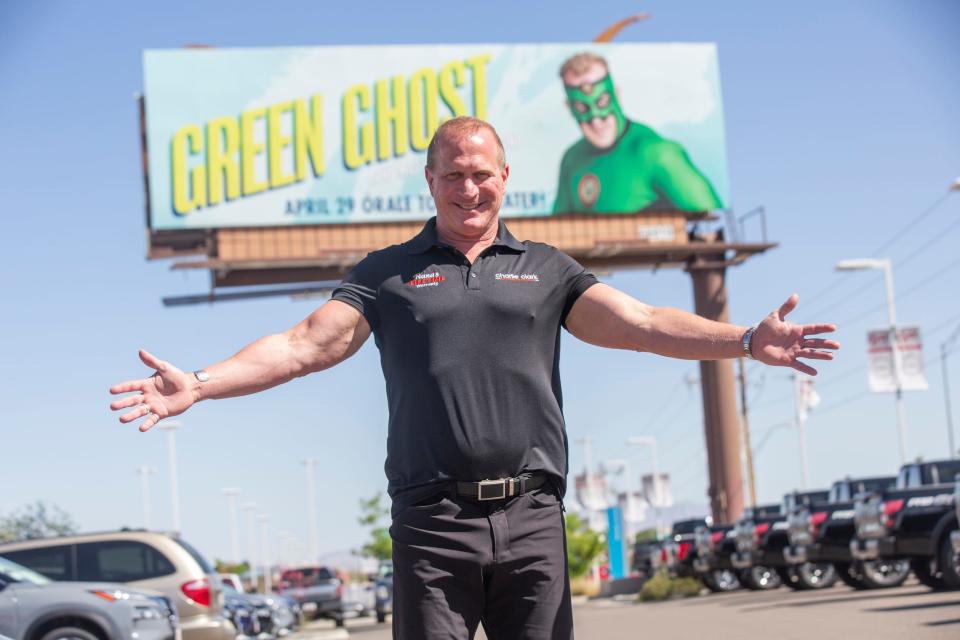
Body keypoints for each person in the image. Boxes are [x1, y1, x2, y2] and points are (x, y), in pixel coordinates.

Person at [110, 116, 838, 639]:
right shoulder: (387, 275)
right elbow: (305, 345)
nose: (468, 188)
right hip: (433, 526)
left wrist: (743, 339)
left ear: (503, 178)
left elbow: (640, 323)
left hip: (532, 521)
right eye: (452, 174)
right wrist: (202, 383)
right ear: (431, 181)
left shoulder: (548, 269)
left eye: (480, 173)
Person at [552, 51, 723, 214]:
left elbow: (715, 221)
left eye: (602, 102)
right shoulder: (572, 160)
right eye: (582, 108)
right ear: (569, 108)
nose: (596, 120)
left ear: (617, 95)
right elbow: (554, 233)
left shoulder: (656, 153)